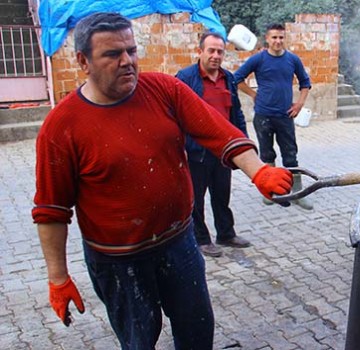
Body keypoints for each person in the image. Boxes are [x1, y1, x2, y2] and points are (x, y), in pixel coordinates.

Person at [32, 12, 292, 349]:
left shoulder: (164, 89)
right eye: (112, 54)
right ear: (83, 61)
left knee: (198, 333)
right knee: (139, 340)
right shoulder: (61, 127)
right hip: (118, 262)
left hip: (179, 244)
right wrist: (58, 277)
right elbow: (51, 211)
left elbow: (216, 130)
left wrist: (259, 170)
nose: (127, 62)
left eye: (131, 50)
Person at [175, 32, 251, 257]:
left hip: (223, 151)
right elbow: (175, 116)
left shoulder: (228, 78)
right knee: (196, 199)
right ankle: (201, 239)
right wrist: (180, 149)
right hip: (196, 152)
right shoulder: (186, 77)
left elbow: (235, 112)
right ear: (200, 51)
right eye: (211, 50)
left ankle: (226, 234)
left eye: (220, 51)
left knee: (222, 194)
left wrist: (243, 142)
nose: (216, 55)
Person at [233, 23, 314, 210]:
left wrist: (299, 104)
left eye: (281, 37)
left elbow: (305, 83)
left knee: (290, 155)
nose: (278, 41)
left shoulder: (292, 60)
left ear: (285, 39)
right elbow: (236, 78)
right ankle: (269, 191)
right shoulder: (258, 59)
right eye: (274, 37)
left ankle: (297, 192)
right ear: (267, 39)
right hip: (263, 116)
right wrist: (253, 94)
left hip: (285, 115)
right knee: (267, 154)